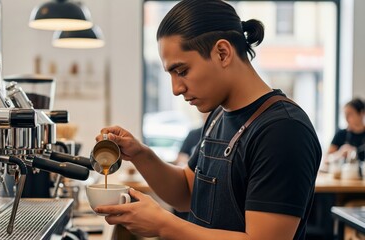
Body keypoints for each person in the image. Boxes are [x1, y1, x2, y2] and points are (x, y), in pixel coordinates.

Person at [94, 1, 322, 239]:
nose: (175, 88)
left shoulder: (283, 130)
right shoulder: (218, 116)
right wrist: (140, 154)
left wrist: (164, 225)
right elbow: (187, 194)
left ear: (222, 53)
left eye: (181, 71)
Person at [324, 98, 365, 167]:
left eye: (350, 114)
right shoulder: (340, 134)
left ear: (361, 113)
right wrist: (339, 153)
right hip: (343, 176)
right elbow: (326, 160)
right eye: (345, 114)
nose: (346, 118)